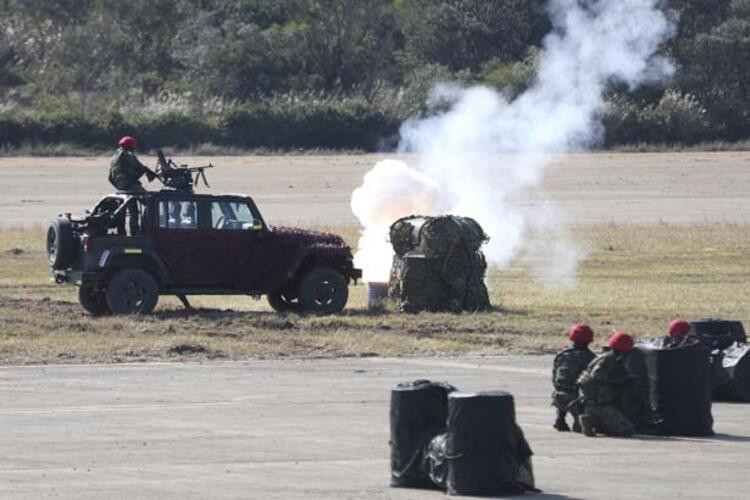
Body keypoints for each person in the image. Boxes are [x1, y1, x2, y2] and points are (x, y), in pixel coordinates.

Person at [577, 332, 637, 437]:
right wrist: (618, 380)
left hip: (593, 402)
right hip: (600, 404)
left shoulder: (610, 359)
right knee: (627, 430)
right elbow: (597, 376)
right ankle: (591, 419)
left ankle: (592, 419)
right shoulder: (607, 360)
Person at [551, 323, 596, 432]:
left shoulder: (562, 355)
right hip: (577, 398)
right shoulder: (591, 358)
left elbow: (554, 376)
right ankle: (578, 420)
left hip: (558, 396)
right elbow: (590, 381)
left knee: (563, 388)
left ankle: (560, 417)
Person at [108, 136, 155, 234]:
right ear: (131, 147)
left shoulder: (115, 157)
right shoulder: (127, 154)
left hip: (121, 187)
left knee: (129, 210)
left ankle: (122, 233)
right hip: (130, 185)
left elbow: (110, 177)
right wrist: (147, 171)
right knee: (151, 202)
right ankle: (139, 232)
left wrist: (120, 187)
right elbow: (138, 166)